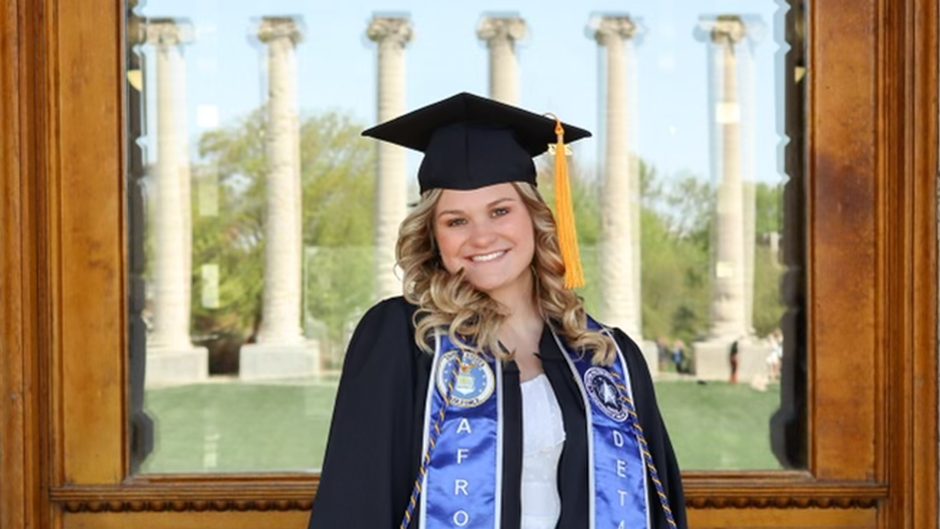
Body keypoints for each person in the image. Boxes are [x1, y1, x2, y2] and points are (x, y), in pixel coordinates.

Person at [307, 93, 687, 529]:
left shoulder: (605, 355)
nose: (481, 237)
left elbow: (658, 507)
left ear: (535, 217)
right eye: (456, 221)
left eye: (500, 211)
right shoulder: (402, 339)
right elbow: (355, 501)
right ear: (432, 235)